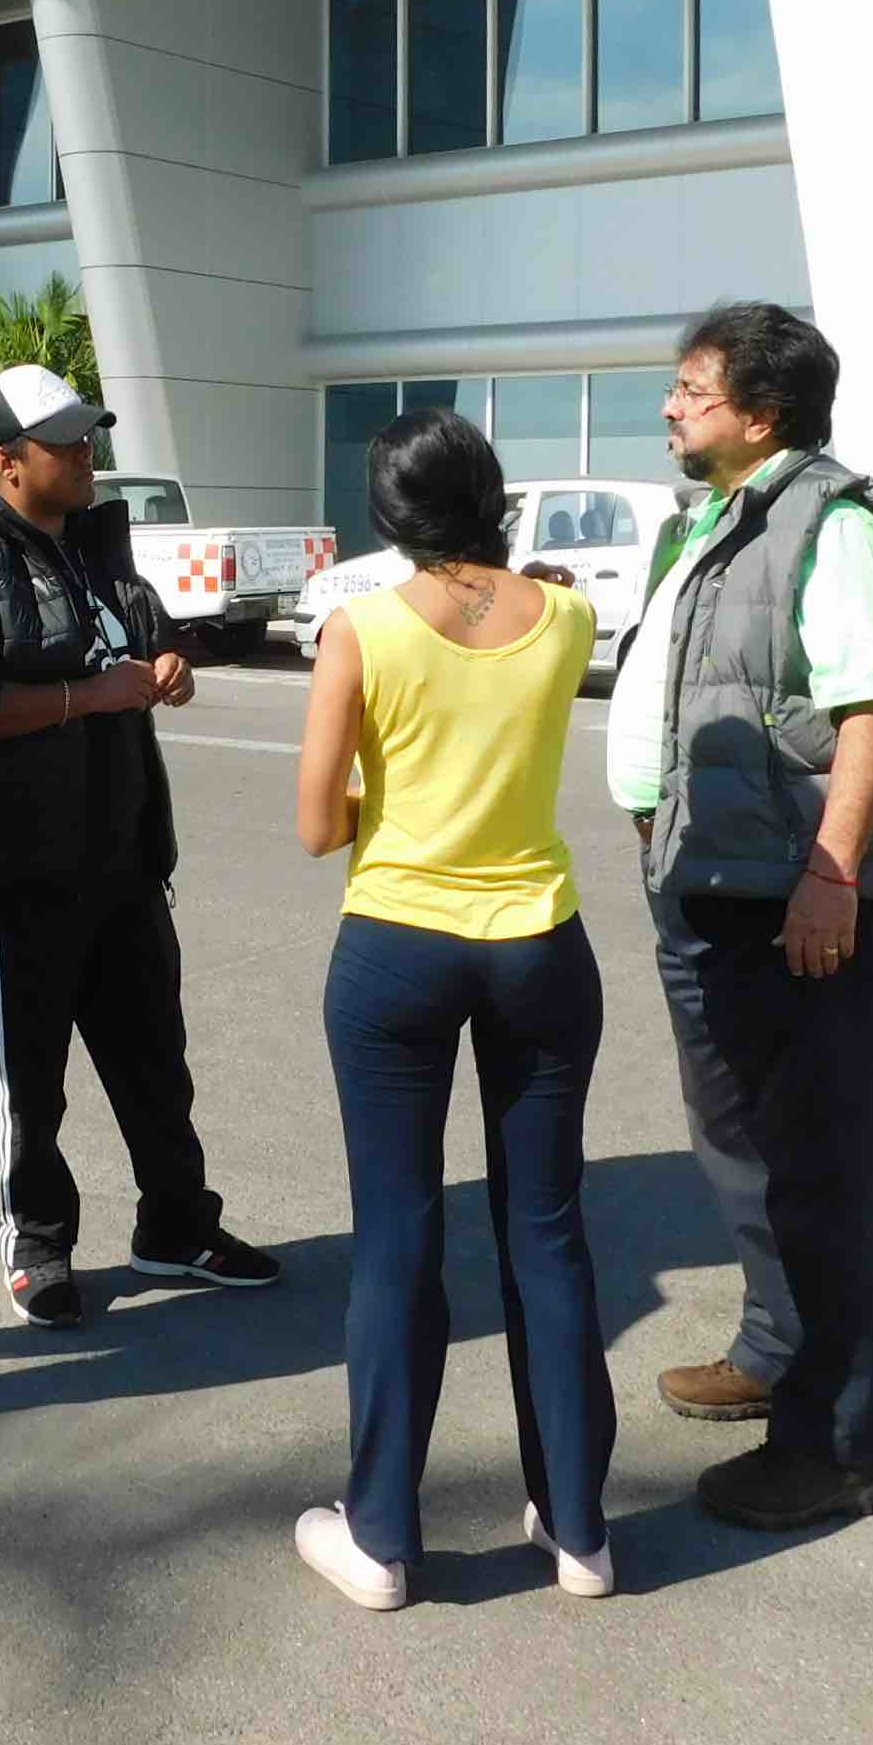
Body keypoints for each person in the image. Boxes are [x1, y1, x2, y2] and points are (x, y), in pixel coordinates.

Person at [605, 301, 873, 1530]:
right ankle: (774, 1350)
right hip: (705, 879)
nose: (669, 407)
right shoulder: (709, 520)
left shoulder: (833, 520)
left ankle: (842, 1445)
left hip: (789, 896)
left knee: (814, 1166)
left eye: (691, 391)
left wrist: (829, 876)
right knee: (741, 1146)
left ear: (761, 415)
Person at [288, 406, 615, 1609]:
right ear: (494, 492)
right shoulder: (567, 614)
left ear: (391, 515)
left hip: (398, 951)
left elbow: (319, 824)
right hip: (539, 943)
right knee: (550, 1232)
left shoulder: (361, 630)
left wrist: (399, 804)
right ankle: (581, 1525)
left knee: (398, 1238)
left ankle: (381, 1536)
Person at [0, 366, 280, 1328]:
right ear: (5, 462)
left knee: (154, 1053)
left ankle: (177, 1226)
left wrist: (167, 664)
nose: (86, 455)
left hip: (121, 848)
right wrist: (87, 697)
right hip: (14, 861)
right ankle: (35, 1240)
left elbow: (147, 638)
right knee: (29, 1068)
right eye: (64, 443)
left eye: (88, 437)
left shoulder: (98, 544)